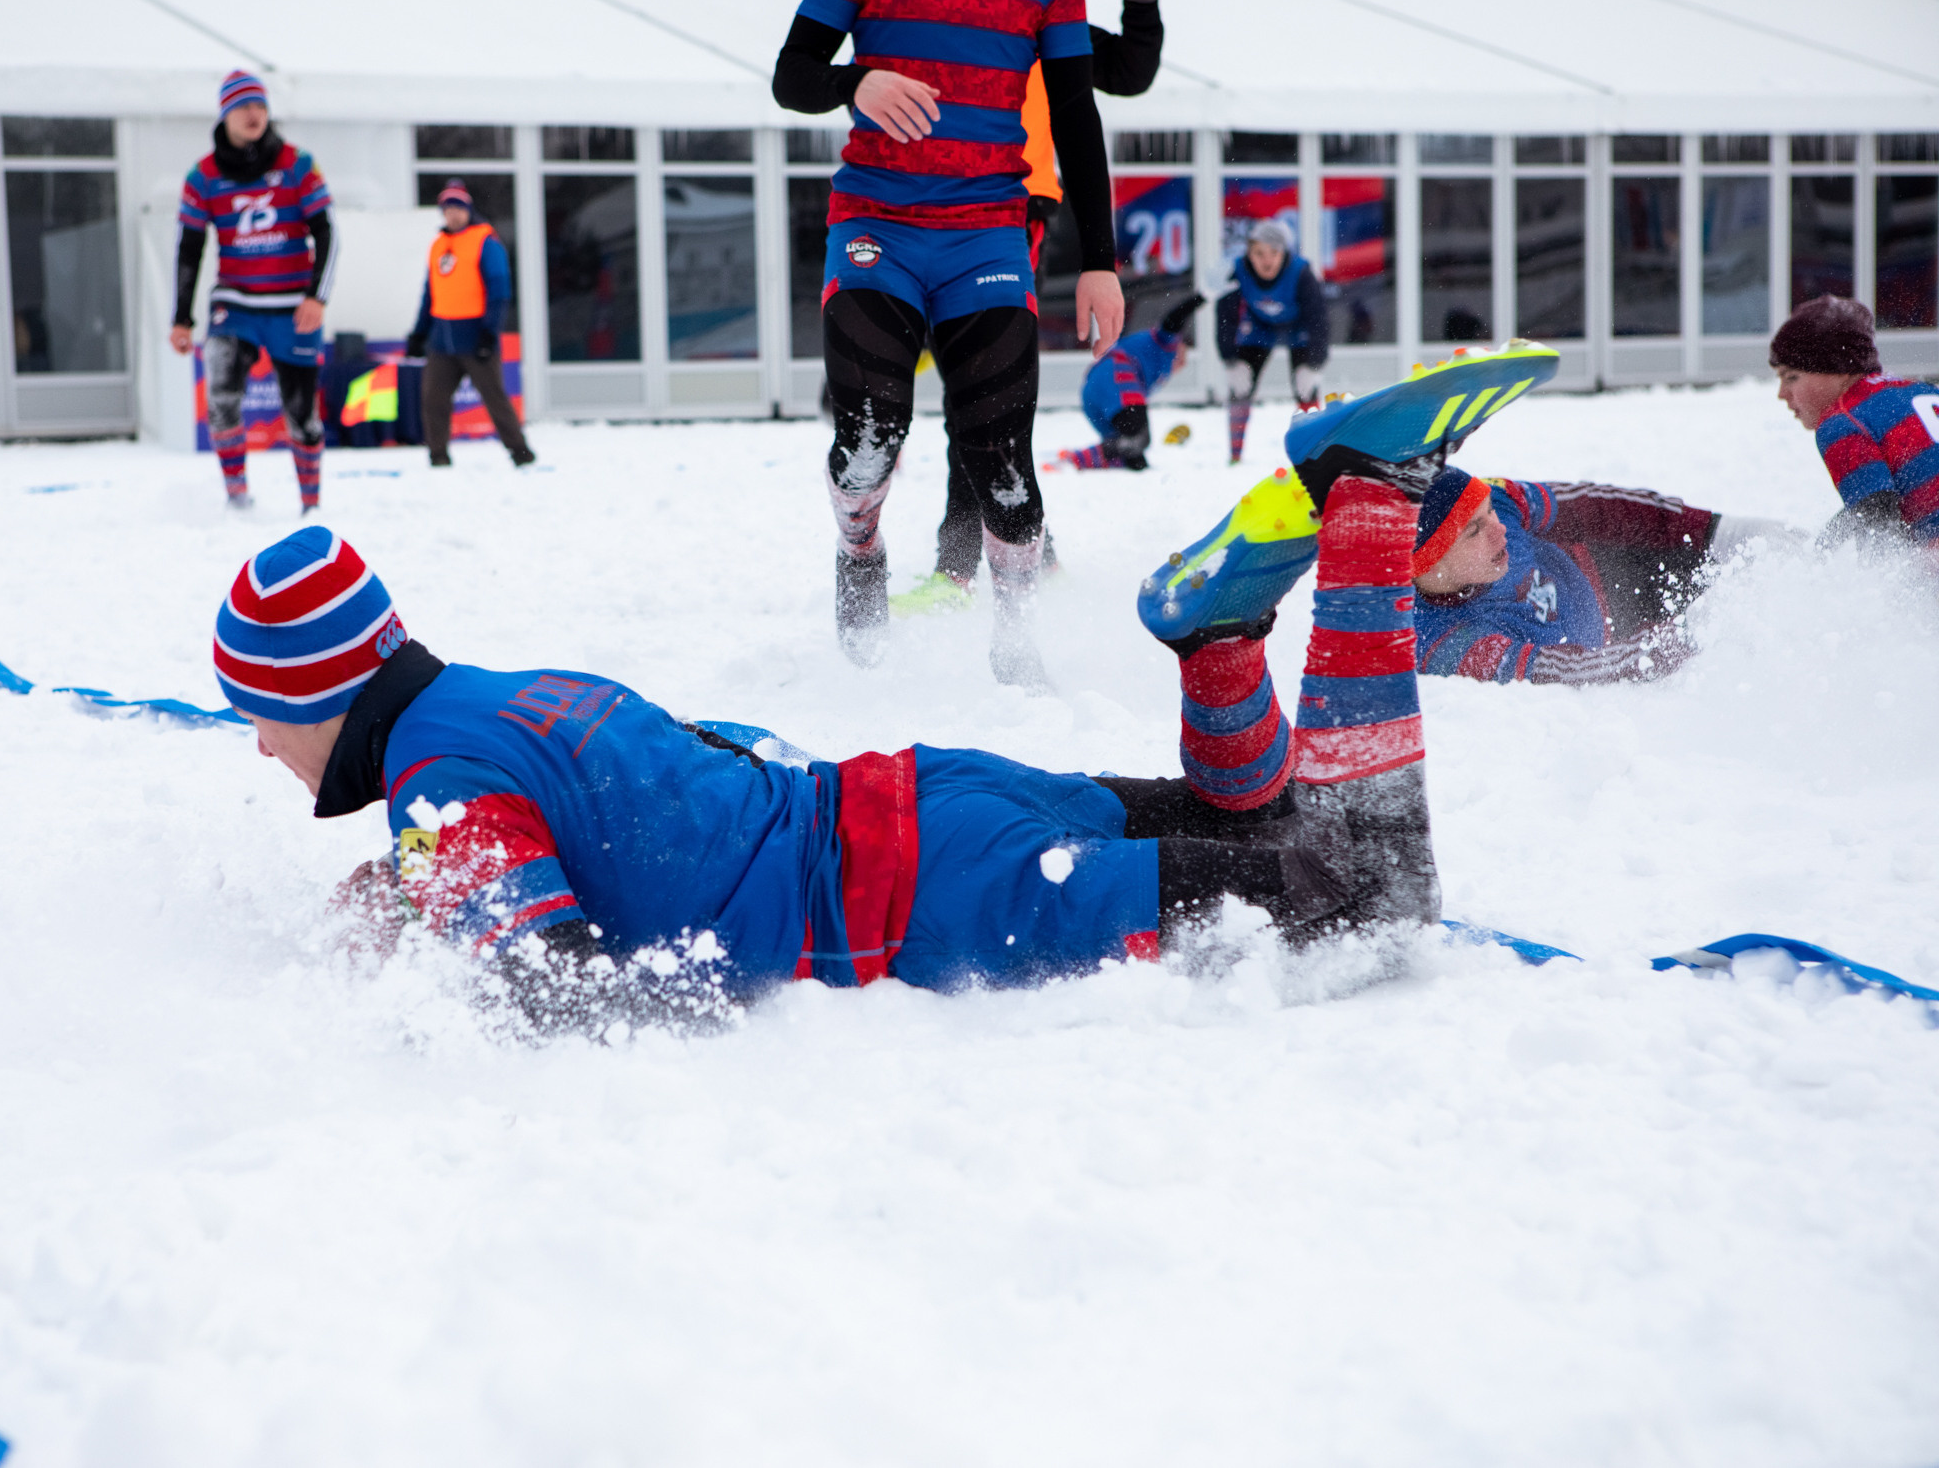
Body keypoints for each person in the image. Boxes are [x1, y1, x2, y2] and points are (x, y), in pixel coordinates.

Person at [215, 436, 1440, 1036]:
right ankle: (1220, 646)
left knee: (1362, 894)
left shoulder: (433, 788)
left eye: (260, 719)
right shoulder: (491, 692)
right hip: (918, 791)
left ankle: (1373, 525)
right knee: (1250, 820)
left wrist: (442, 923)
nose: (265, 752)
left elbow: (564, 993)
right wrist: (430, 881)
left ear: (316, 694)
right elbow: (639, 784)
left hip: (924, 889)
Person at [772, 0, 1126, 690]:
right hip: (877, 225)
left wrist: (1099, 261)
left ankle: (1018, 640)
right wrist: (856, 82)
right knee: (870, 440)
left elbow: (1074, 111)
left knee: (1002, 463)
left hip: (987, 236)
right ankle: (860, 548)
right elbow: (793, 75)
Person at [897, 0, 1166, 616]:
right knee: (981, 394)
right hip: (928, 209)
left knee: (982, 391)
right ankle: (1021, 545)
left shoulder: (1038, 19)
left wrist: (1142, 0)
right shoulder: (938, 15)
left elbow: (1129, 70)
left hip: (1012, 212)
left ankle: (963, 567)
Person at [1408, 468, 1792, 685]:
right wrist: (1683, 636)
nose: (1499, 529)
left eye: (1491, 512)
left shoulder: (1499, 498)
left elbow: (1597, 506)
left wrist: (1712, 531)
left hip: (1612, 565)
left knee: (1776, 570)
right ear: (1429, 562)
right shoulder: (1447, 643)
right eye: (1474, 531)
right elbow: (1563, 670)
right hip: (1613, 641)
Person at [171, 70, 336, 513]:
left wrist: (317, 297)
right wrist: (181, 318)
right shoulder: (202, 175)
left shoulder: (298, 164)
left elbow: (328, 233)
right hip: (236, 304)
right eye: (244, 107)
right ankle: (237, 499)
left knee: (302, 413)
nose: (254, 115)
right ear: (225, 114)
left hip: (292, 307)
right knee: (220, 398)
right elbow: (189, 248)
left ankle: (311, 505)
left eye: (261, 106)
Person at [1768, 294, 1939, 549]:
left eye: (1792, 377)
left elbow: (1879, 529)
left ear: (1841, 368)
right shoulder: (1922, 390)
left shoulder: (1842, 421)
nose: (1781, 393)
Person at [403, 178, 535, 470]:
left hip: (475, 337)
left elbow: (499, 289)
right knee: (433, 399)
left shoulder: (485, 241)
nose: (453, 214)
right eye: (448, 208)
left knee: (495, 398)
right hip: (442, 338)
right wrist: (419, 333)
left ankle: (520, 452)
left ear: (468, 210)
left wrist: (490, 332)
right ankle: (438, 455)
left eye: (458, 208)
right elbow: (430, 293)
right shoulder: (438, 245)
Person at [1217, 217, 1329, 465]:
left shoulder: (1301, 272)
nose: (1266, 260)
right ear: (1249, 253)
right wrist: (1230, 361)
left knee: (1305, 387)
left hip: (1298, 327)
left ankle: (1313, 455)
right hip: (1259, 327)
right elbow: (1225, 317)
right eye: (1259, 253)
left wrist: (1314, 364)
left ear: (1284, 253)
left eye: (1273, 253)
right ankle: (1235, 455)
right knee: (1241, 385)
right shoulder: (1238, 271)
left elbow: (1319, 320)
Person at [1056, 293, 1204, 470]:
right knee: (1138, 438)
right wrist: (1201, 298)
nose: (1180, 364)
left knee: (1135, 456)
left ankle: (1092, 459)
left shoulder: (1156, 365)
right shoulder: (1165, 343)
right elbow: (1175, 318)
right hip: (1116, 376)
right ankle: (1074, 461)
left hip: (1095, 391)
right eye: (1181, 358)